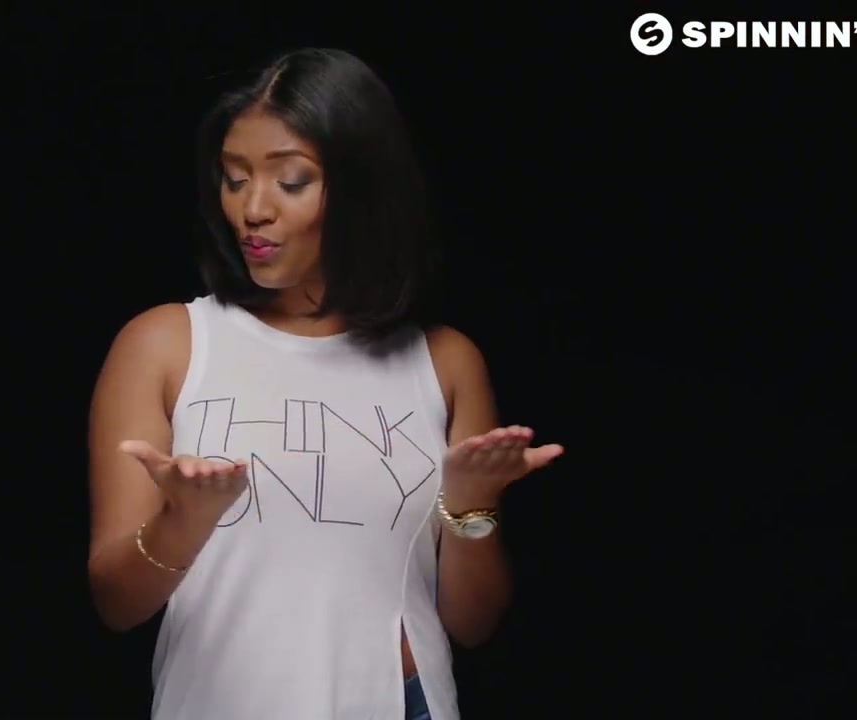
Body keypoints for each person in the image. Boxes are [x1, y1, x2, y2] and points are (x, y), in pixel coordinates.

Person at [87, 47, 564, 720]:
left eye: (290, 182)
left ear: (362, 189)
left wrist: (470, 505)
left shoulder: (445, 361)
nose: (252, 209)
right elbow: (115, 603)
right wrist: (182, 522)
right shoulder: (166, 343)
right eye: (234, 178)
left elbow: (474, 624)